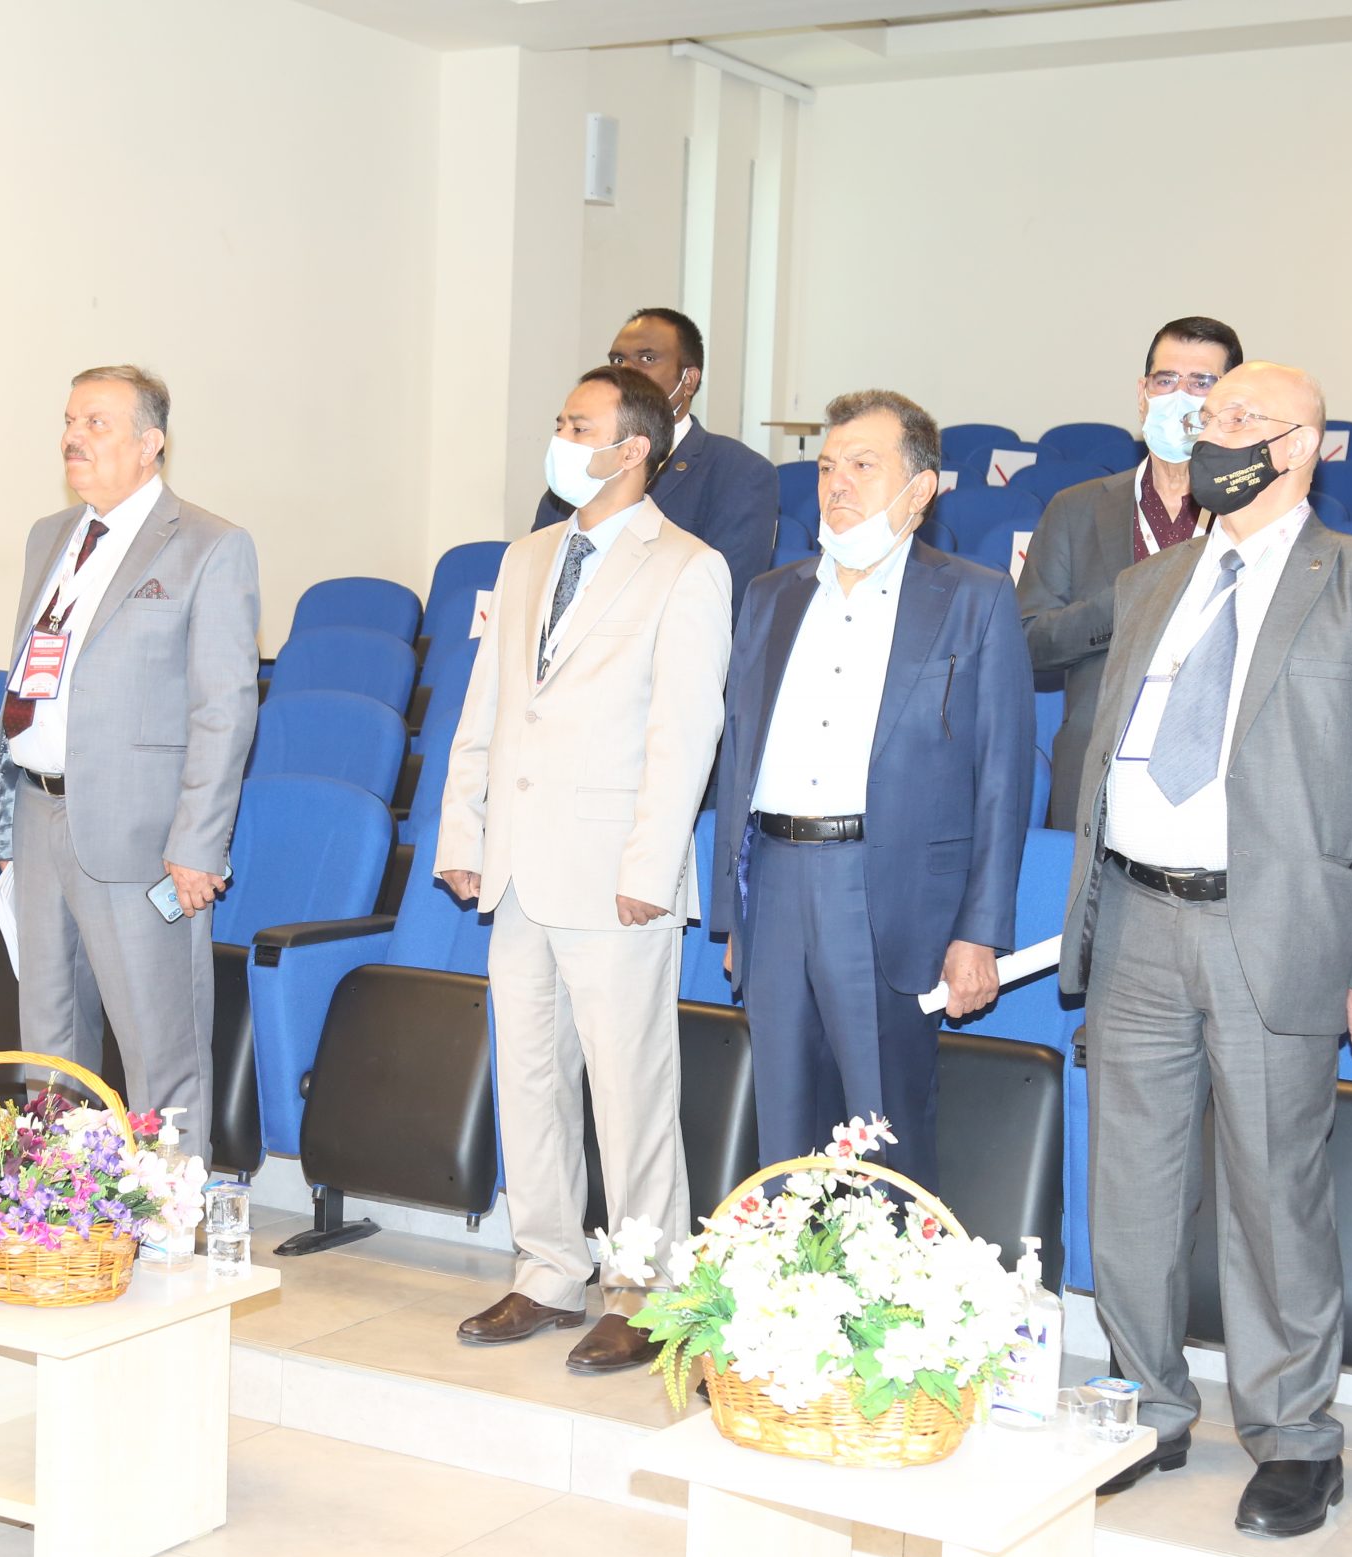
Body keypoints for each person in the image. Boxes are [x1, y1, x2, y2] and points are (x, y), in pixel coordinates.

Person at [1060, 362, 1352, 1538]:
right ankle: (1146, 1403)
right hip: (1137, 917)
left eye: (1239, 418)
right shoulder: (1152, 582)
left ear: (1303, 445)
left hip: (1273, 928)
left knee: (1274, 1189)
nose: (1209, 432)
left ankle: (1292, 1436)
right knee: (1129, 1181)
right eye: (1206, 416)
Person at [440, 365, 731, 1370]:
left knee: (628, 1089)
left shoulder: (686, 566)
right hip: (519, 864)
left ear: (632, 448)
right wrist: (462, 834)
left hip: (615, 872)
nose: (561, 439)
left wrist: (653, 862)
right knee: (528, 1077)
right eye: (561, 421)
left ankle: (646, 1288)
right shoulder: (527, 556)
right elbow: (486, 706)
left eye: (579, 425)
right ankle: (548, 1270)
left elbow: (684, 734)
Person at [711, 389, 1034, 1189]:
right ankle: (786, 1270)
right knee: (784, 1136)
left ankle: (890, 1275)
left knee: (884, 1139)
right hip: (775, 883)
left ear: (920, 488)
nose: (837, 483)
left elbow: (1002, 777)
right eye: (827, 466)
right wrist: (733, 912)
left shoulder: (974, 597)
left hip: (884, 892)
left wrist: (980, 932)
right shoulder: (771, 595)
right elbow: (739, 754)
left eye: (863, 464)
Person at [0, 365, 259, 1157]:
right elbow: (31, 678)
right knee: (49, 1043)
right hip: (40, 815)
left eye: (96, 423)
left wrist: (199, 842)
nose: (73, 437)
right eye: (69, 421)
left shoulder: (209, 544)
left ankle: (172, 1210)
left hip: (141, 835)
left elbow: (224, 708)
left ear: (150, 443)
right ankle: (56, 1199)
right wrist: (6, 820)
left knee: (159, 1045)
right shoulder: (49, 536)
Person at [1020, 316, 1243, 828]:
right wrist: (1130, 601)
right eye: (1165, 380)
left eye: (1200, 382)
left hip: (1216, 781)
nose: (1178, 396)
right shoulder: (1076, 509)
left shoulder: (1252, 512)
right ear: (1142, 395)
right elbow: (1029, 641)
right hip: (1095, 778)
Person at [531, 308, 779, 615]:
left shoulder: (739, 471)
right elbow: (535, 581)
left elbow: (726, 600)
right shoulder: (580, 465)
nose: (627, 370)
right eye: (617, 360)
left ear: (688, 380)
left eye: (647, 358)